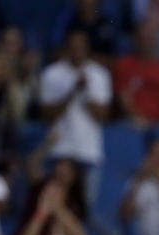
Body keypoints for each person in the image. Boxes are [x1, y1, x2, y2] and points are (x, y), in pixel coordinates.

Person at [38, 28, 111, 207]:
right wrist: (71, 92)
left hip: (88, 152)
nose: (77, 51)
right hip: (60, 150)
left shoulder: (99, 75)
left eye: (81, 47)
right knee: (54, 206)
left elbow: (102, 115)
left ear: (87, 49)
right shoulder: (52, 74)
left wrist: (85, 92)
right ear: (66, 48)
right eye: (73, 47)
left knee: (84, 209)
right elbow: (47, 115)